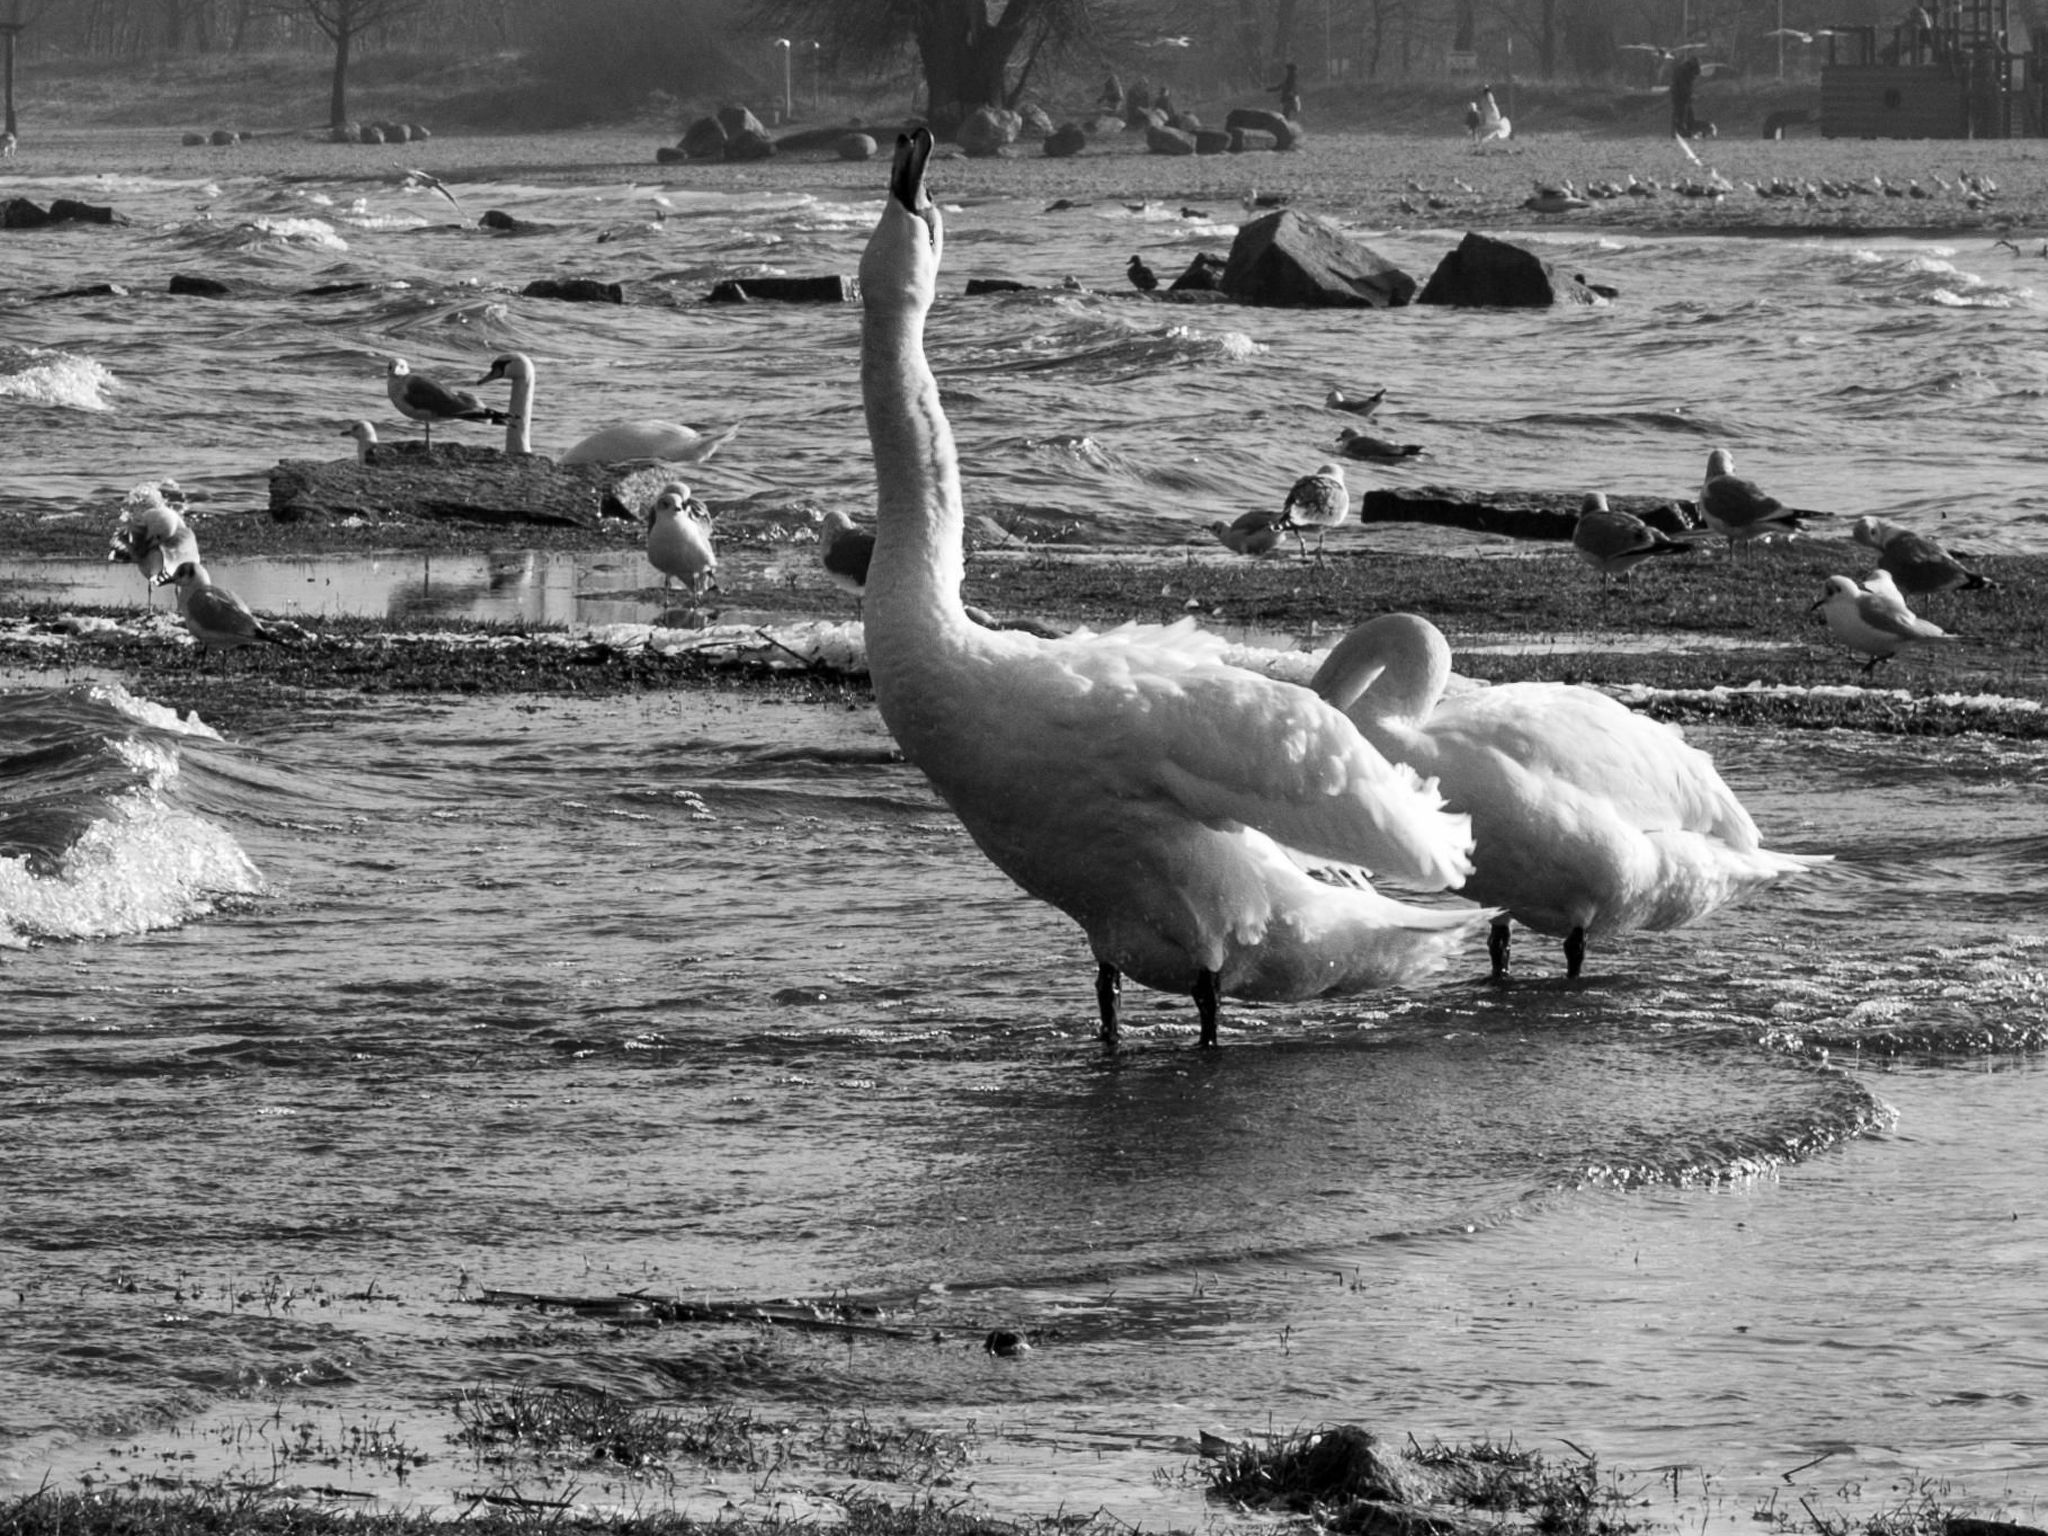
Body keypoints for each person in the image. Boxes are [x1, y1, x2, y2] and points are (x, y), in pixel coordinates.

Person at [1669, 53, 1702, 136]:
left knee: (1685, 112)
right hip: (1679, 95)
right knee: (1680, 113)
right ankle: (1678, 131)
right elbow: (1683, 85)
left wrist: (1689, 94)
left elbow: (1687, 84)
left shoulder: (1685, 69)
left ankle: (1684, 130)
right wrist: (1689, 94)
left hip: (1679, 94)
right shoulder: (1684, 70)